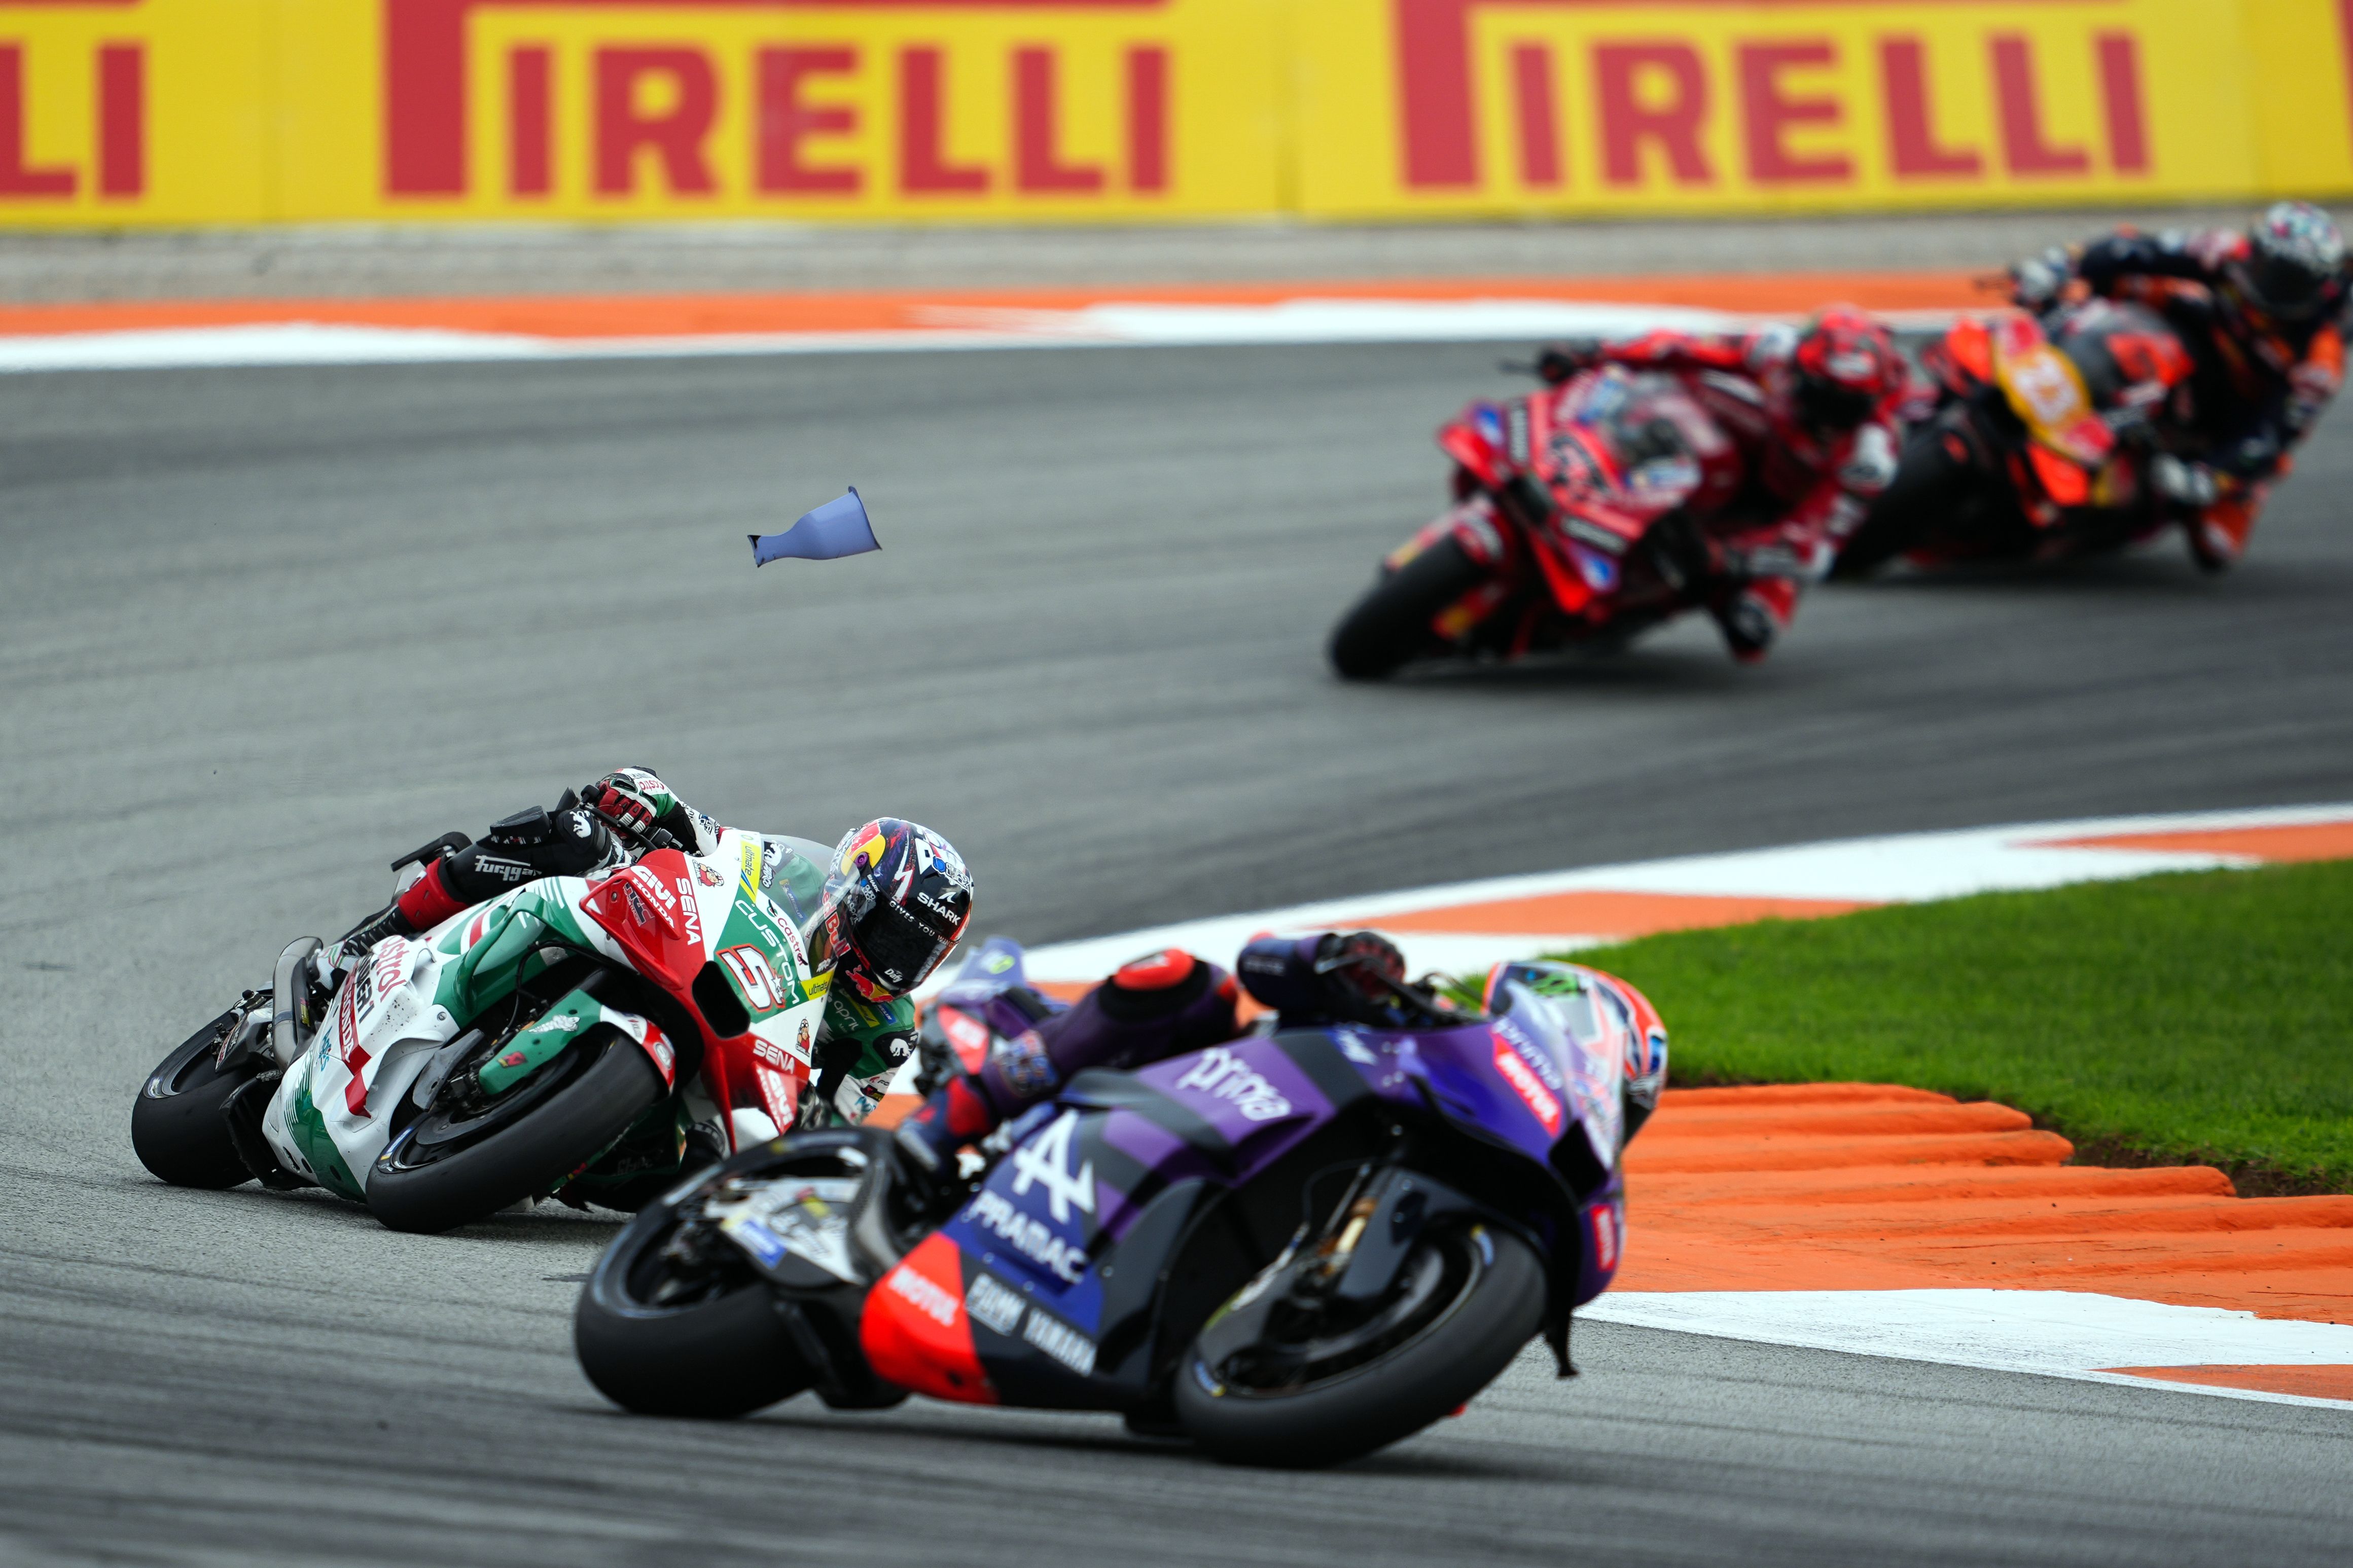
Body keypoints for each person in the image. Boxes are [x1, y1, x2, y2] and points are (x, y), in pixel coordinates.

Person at [341, 768, 973, 1127]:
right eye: (891, 934)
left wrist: (798, 1122)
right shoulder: (796, 875)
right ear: (852, 892)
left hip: (711, 1094)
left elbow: (833, 1130)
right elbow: (713, 837)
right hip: (685, 958)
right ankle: (377, 934)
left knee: (699, 1166)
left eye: (918, 952)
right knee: (572, 835)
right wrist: (649, 796)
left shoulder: (887, 1032)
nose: (894, 961)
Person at [892, 929, 1669, 1195]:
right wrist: (1332, 961)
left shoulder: (1500, 1176)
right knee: (1183, 978)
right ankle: (953, 1114)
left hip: (1226, 1196)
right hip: (1212, 1092)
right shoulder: (1429, 1025)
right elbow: (1262, 965)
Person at [1532, 304, 1907, 662]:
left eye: (1847, 409)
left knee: (1752, 632)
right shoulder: (1773, 348)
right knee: (1667, 385)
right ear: (1798, 372)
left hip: (1775, 515)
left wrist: (1726, 556)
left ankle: (1646, 599)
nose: (1829, 418)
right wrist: (1595, 351)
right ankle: (1576, 448)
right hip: (1750, 442)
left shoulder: (1869, 458)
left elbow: (1815, 544)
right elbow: (1681, 344)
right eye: (1821, 397)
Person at [2009, 201, 2349, 568]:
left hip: (2235, 411)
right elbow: (2133, 248)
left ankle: (2177, 496)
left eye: (2290, 280)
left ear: (2320, 287)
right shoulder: (2225, 251)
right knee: (2123, 282)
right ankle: (2046, 337)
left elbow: (2274, 434)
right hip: (2191, 335)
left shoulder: (2319, 356)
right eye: (2266, 266)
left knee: (2216, 548)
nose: (2271, 283)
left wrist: (2211, 475)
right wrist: (2062, 264)